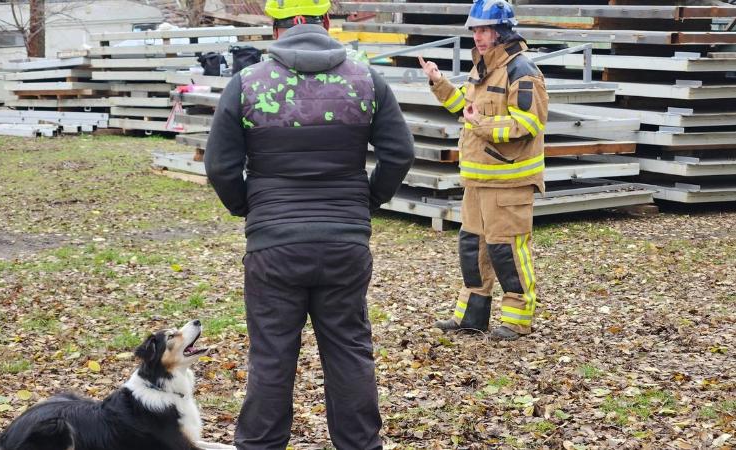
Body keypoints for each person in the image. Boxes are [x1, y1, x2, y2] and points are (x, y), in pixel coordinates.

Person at [203, 0, 415, 447]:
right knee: (349, 352)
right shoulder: (366, 79)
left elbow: (221, 166)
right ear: (325, 22)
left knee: (272, 357)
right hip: (344, 242)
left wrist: (250, 209)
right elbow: (399, 153)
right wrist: (367, 200)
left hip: (273, 245)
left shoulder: (246, 83)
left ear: (277, 28)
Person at [420, 0, 548, 341]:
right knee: (472, 250)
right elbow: (464, 107)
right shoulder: (482, 68)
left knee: (506, 252)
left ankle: (517, 320)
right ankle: (471, 317)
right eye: (475, 30)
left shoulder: (523, 71)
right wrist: (438, 82)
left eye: (485, 30)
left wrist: (483, 125)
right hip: (477, 181)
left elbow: (528, 123)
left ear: (502, 31)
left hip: (509, 182)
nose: (478, 36)